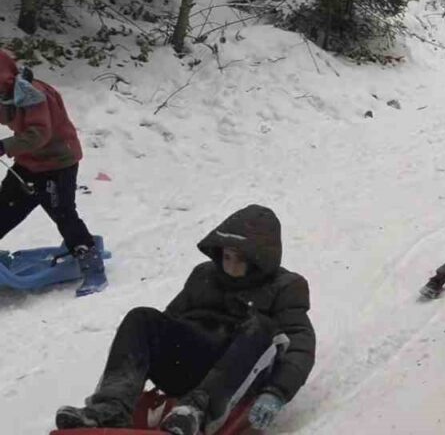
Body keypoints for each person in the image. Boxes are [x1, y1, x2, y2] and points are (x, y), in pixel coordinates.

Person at [56, 205, 315, 435]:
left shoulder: (285, 287)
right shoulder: (204, 276)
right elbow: (171, 322)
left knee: (263, 327)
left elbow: (300, 344)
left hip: (241, 371)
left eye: (240, 260)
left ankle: (196, 412)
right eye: (227, 257)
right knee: (142, 318)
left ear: (260, 261)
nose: (230, 266)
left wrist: (276, 391)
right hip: (193, 363)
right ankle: (110, 408)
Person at [0, 51, 106, 296]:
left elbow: (39, 134)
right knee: (4, 208)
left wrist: (4, 146)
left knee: (64, 214)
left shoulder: (33, 94)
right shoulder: (6, 93)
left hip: (57, 163)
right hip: (29, 163)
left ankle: (93, 267)